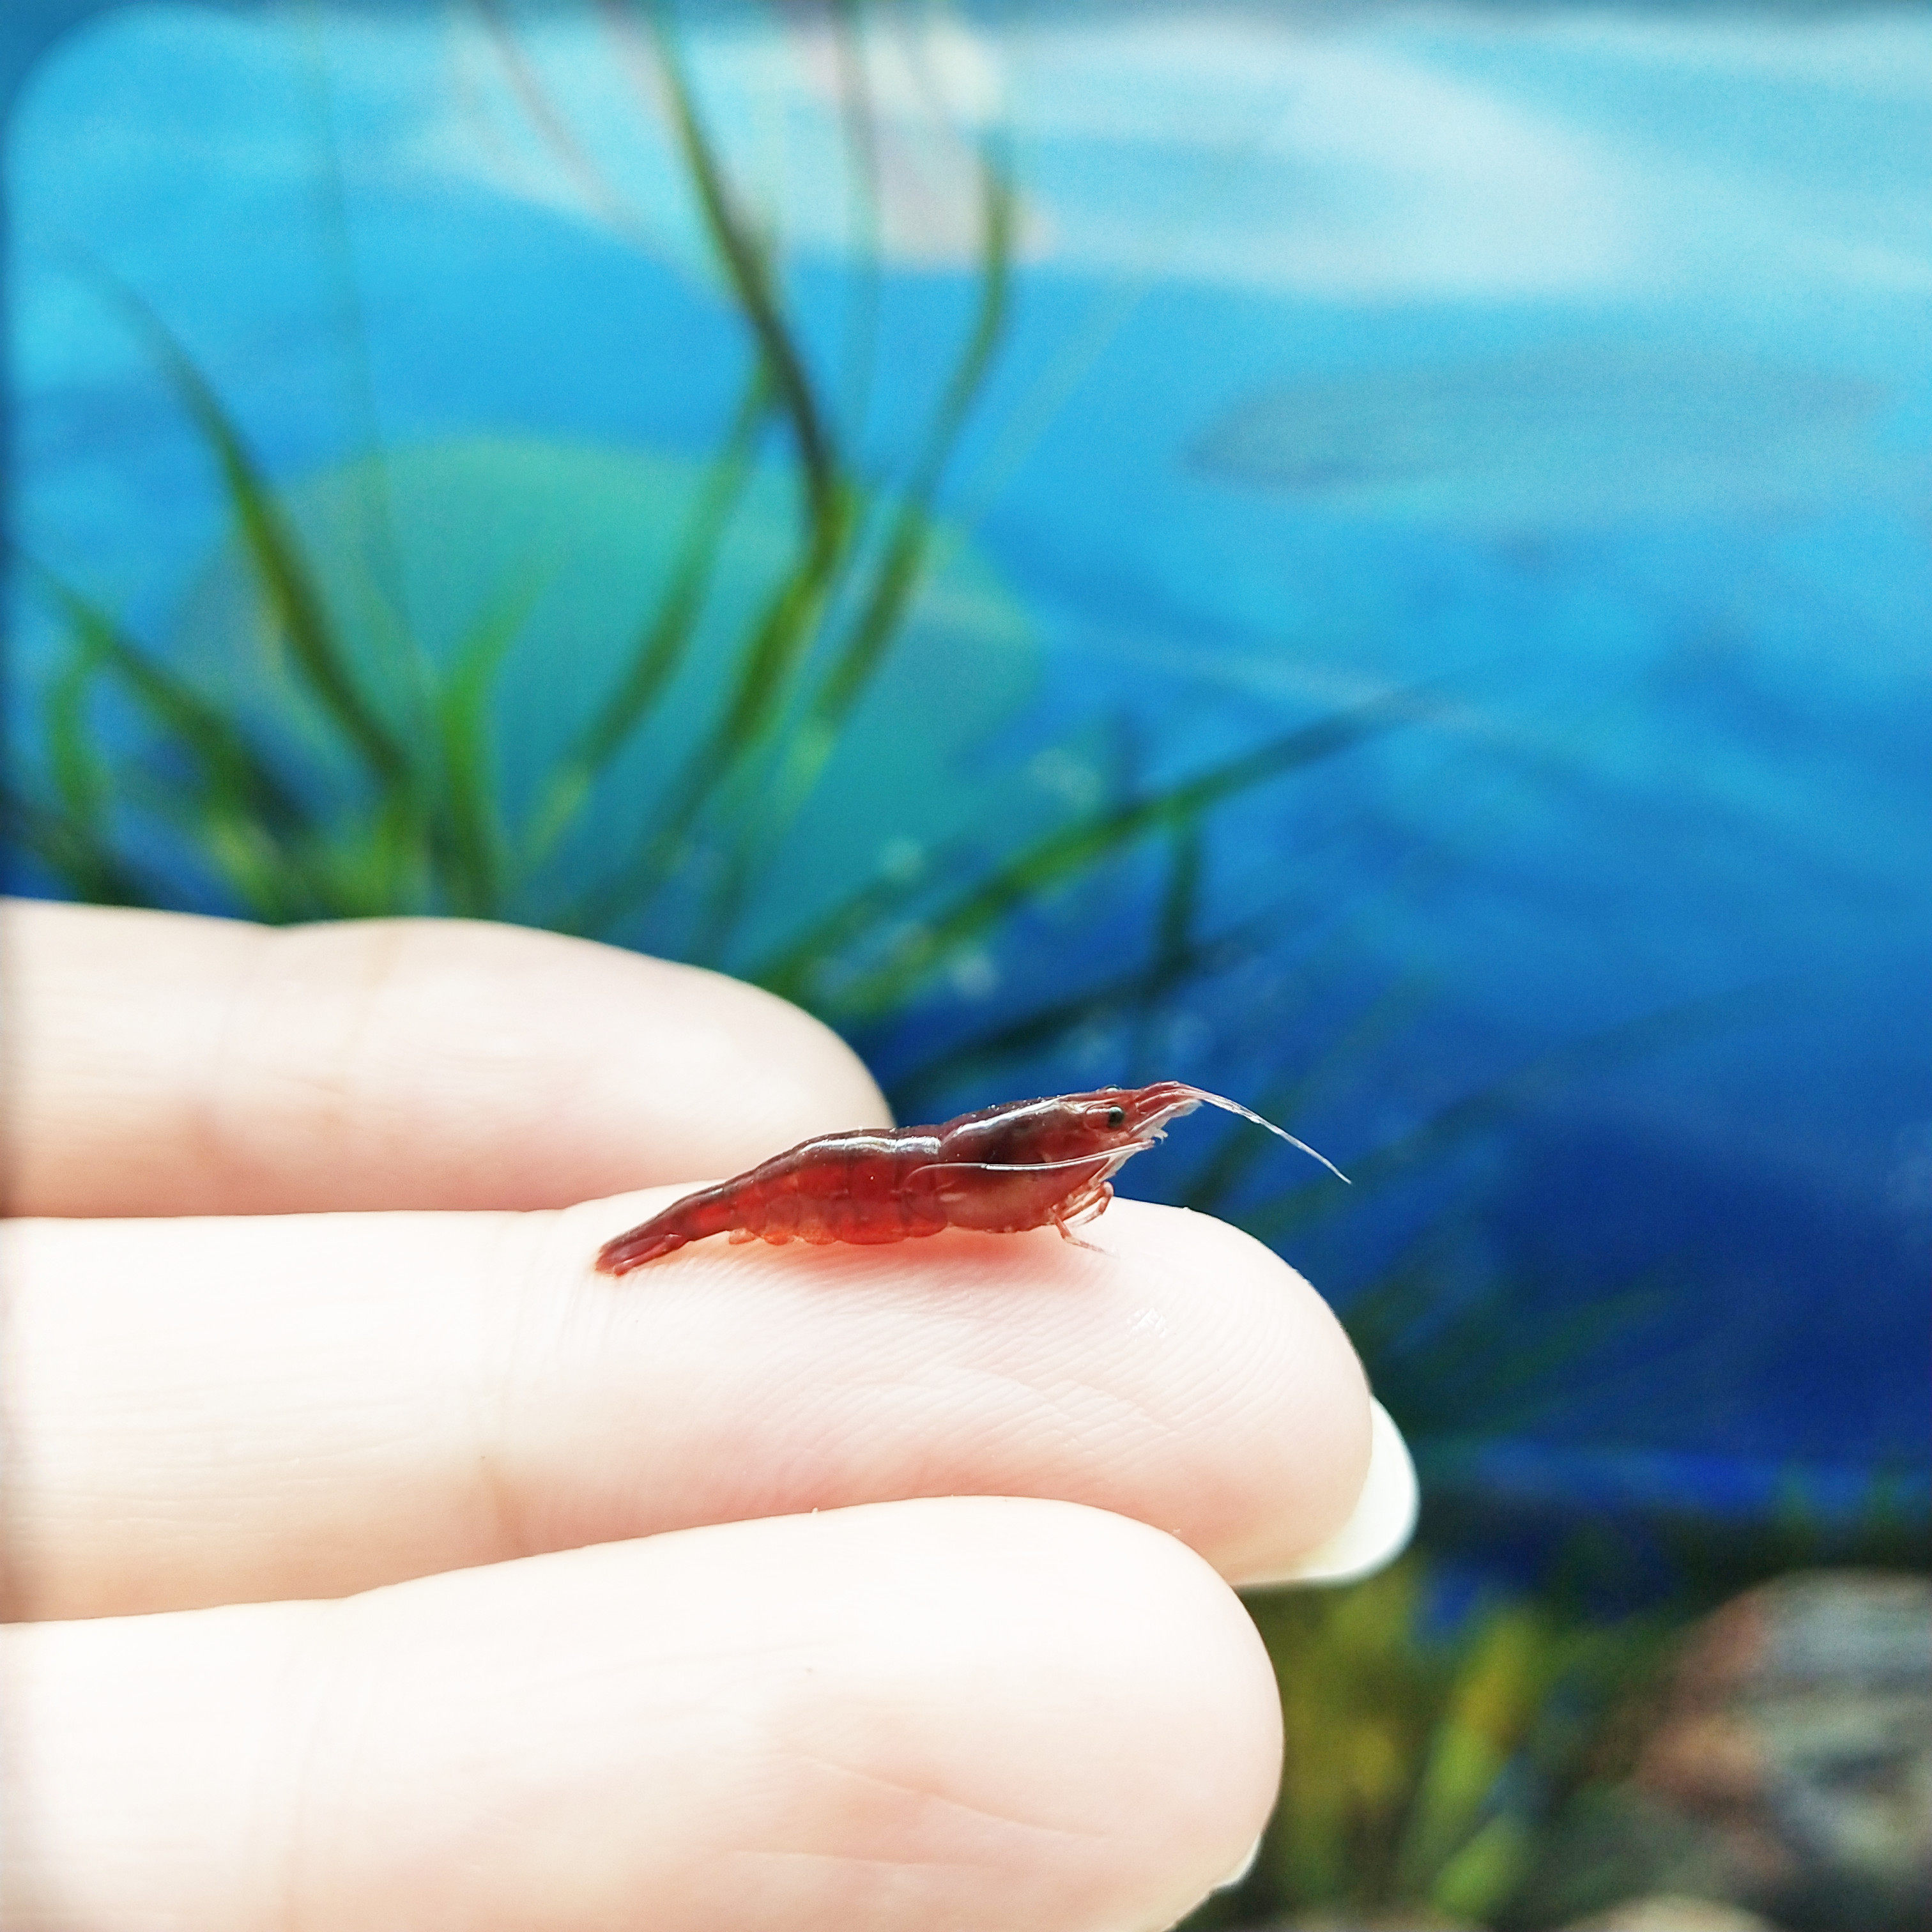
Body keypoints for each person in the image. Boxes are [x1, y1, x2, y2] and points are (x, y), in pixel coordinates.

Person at [0, 898, 1412, 1930]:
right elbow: (978, 1198)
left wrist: (1090, 1154)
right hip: (832, 1190)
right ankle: (669, 1235)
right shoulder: (957, 1175)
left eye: (1116, 1129)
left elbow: (1000, 1187)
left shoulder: (1010, 1160)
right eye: (1111, 1128)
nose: (1124, 1135)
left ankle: (673, 1232)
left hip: (881, 1183)